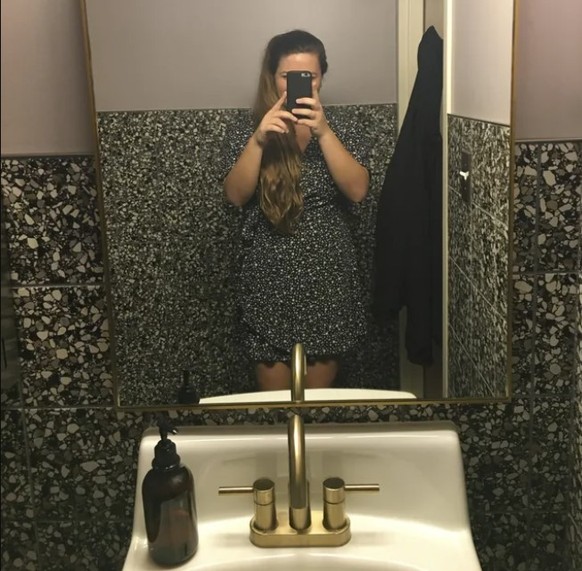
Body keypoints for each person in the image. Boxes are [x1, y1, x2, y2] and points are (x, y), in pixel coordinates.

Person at [222, 29, 369, 391]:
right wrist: (259, 140)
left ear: (321, 78)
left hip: (328, 280)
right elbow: (235, 196)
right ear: (271, 77)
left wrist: (324, 133)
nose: (297, 85)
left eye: (309, 76)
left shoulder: (341, 127)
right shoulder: (248, 128)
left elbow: (357, 191)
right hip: (268, 281)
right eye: (287, 76)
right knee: (275, 408)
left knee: (315, 407)